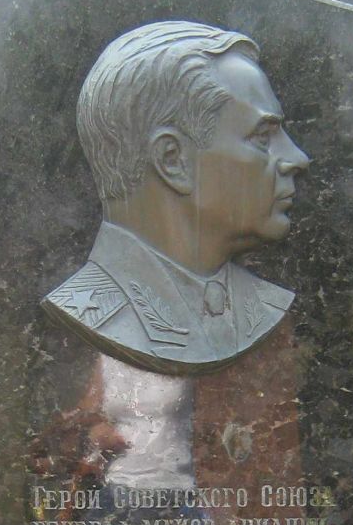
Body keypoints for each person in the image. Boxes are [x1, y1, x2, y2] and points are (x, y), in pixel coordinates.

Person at [44, 20, 310, 375]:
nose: (297, 158)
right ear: (173, 160)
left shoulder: (266, 307)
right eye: (263, 136)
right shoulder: (95, 311)